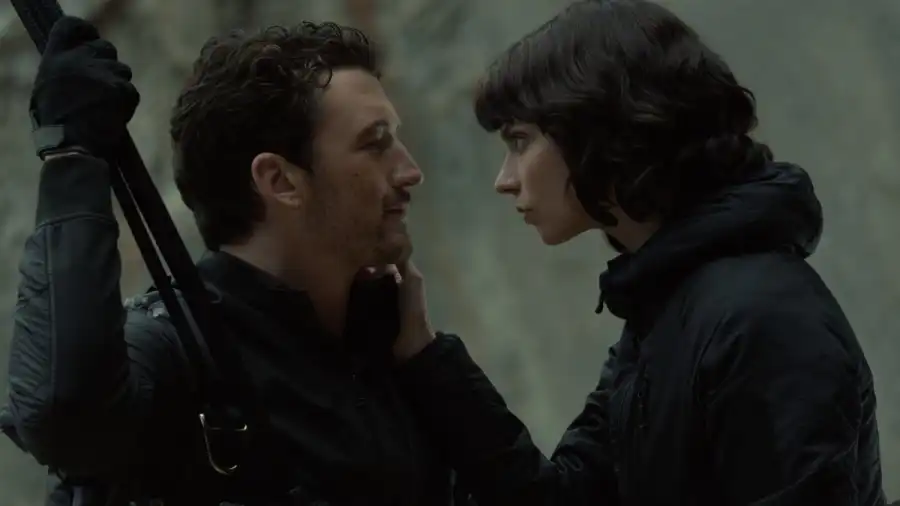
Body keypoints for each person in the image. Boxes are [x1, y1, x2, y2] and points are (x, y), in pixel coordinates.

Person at [389, 1, 888, 505]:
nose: (505, 179)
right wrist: (425, 357)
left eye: (520, 141)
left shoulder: (759, 319)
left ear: (598, 129)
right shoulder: (668, 309)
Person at [2, 15, 471, 506]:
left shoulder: (391, 345)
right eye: (375, 144)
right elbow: (63, 412)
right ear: (280, 181)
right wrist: (72, 160)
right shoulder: (174, 351)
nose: (410, 171)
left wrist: (434, 364)